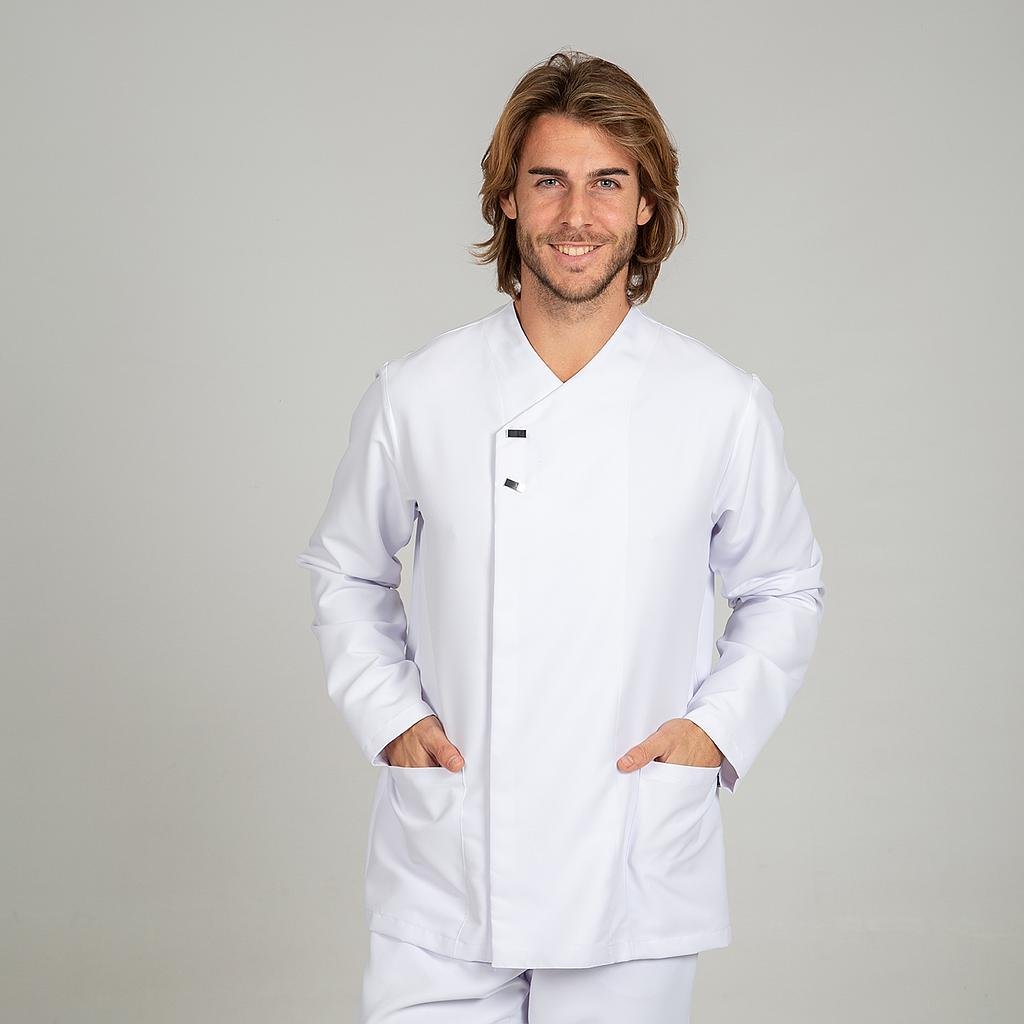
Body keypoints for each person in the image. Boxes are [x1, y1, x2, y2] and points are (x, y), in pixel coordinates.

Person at [296, 49, 825, 1024]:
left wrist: (711, 732)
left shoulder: (717, 403)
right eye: (547, 181)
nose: (575, 214)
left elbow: (783, 586)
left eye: (607, 183)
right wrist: (389, 714)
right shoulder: (418, 393)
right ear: (507, 200)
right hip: (449, 866)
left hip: (629, 864)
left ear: (645, 207)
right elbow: (346, 571)